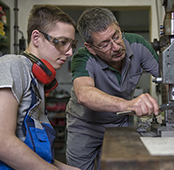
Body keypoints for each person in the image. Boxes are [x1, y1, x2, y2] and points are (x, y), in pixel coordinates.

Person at [0, 5, 80, 170]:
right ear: (36, 38)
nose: (69, 52)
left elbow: (32, 153)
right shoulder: (11, 66)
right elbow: (1, 143)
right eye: (62, 42)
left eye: (72, 45)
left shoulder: (37, 81)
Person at [66, 7, 160, 170]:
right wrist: (129, 105)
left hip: (120, 124)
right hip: (84, 126)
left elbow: (169, 76)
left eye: (116, 36)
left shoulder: (137, 44)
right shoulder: (83, 57)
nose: (116, 47)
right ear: (90, 47)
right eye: (104, 44)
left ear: (118, 26)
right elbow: (84, 94)